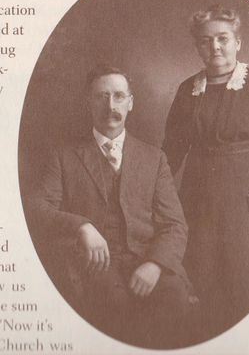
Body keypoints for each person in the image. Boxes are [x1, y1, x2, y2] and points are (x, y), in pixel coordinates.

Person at [26, 65, 190, 349]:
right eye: (101, 96)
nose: (110, 106)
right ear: (88, 102)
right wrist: (82, 226)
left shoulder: (154, 158)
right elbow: (38, 208)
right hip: (96, 264)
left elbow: (175, 225)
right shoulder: (63, 156)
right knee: (116, 310)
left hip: (146, 258)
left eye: (118, 96)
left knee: (175, 301)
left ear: (131, 102)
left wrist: (155, 263)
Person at [163, 5, 249, 339]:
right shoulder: (186, 91)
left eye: (223, 39)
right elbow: (171, 151)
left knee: (246, 277)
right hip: (198, 199)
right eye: (206, 41)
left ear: (239, 42)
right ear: (197, 47)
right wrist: (156, 197)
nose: (215, 48)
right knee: (201, 274)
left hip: (248, 196)